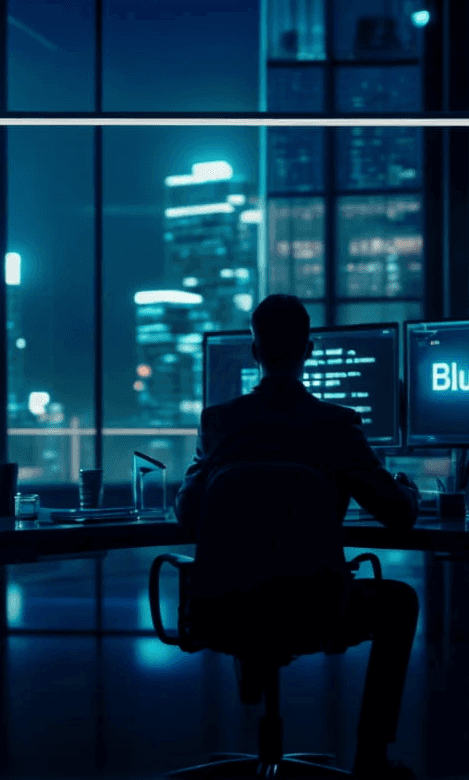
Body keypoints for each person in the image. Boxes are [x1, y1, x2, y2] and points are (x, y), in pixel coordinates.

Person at [177, 294, 420, 778]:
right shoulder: (337, 424)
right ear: (308, 350)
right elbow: (397, 516)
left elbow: (188, 515)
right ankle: (371, 758)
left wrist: (198, 471)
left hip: (226, 602)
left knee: (253, 592)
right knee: (401, 602)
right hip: (316, 605)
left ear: (254, 351)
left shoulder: (220, 422)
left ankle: (251, 662)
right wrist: (406, 491)